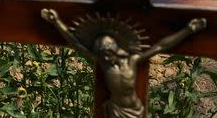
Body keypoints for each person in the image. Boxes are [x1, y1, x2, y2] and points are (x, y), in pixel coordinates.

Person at [41, 8, 206, 118]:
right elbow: (76, 44)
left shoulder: (132, 61)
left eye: (106, 53)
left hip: (134, 111)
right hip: (114, 110)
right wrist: (56, 22)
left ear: (114, 49)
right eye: (101, 54)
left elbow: (160, 45)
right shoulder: (104, 63)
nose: (104, 57)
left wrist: (188, 29)